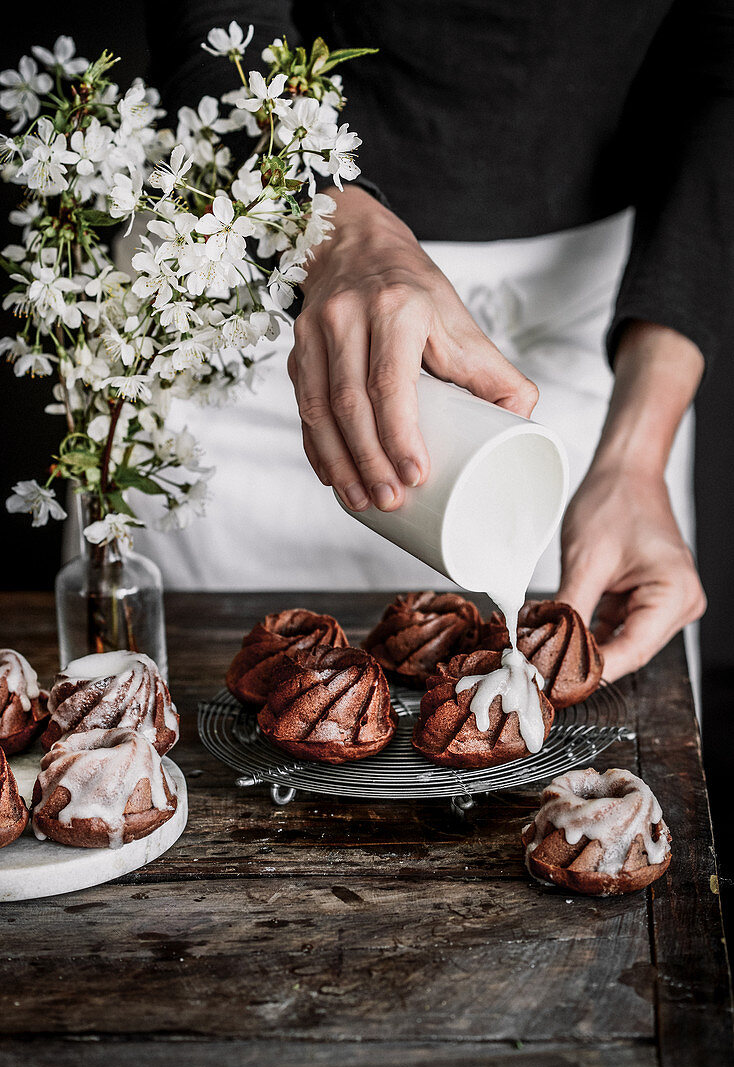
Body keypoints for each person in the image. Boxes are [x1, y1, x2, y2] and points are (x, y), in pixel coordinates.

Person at [136, 1, 732, 686]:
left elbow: (719, 60)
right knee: (187, 695)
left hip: (596, 309)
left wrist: (635, 455)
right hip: (267, 264)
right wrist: (329, 225)